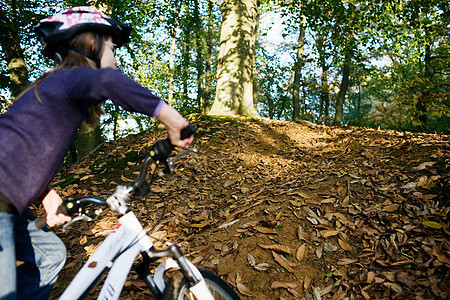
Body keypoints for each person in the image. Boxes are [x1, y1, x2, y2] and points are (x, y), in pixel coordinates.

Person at [0, 6, 193, 300]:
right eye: (112, 48)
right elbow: (109, 82)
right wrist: (174, 120)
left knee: (50, 256)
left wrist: (45, 194)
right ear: (92, 43)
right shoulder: (72, 78)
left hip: (9, 202)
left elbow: (20, 149)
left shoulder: (57, 87)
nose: (115, 58)